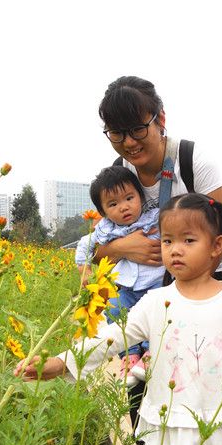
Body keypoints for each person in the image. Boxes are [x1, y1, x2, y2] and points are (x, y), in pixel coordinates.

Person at [16, 193, 222, 445]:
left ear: (216, 246)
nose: (175, 249)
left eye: (188, 240)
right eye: (167, 240)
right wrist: (62, 361)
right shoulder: (156, 302)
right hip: (187, 427)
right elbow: (113, 337)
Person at [96, 75, 222, 286]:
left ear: (161, 119)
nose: (129, 142)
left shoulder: (194, 162)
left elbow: (215, 240)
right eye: (116, 133)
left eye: (138, 129)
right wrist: (122, 248)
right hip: (161, 278)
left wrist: (177, 293)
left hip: (218, 270)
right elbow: (96, 249)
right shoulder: (119, 174)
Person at [76, 165, 165, 387]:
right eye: (113, 204)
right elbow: (84, 245)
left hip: (155, 285)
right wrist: (84, 270)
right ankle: (130, 355)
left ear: (140, 196)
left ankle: (150, 353)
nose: (124, 207)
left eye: (129, 198)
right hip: (125, 288)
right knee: (114, 310)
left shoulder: (155, 218)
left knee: (156, 317)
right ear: (103, 212)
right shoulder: (106, 229)